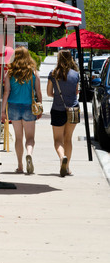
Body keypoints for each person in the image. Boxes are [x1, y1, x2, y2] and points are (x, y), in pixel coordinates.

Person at [2, 46, 42, 174]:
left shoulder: (9, 73)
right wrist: (40, 107)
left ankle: (20, 166)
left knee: (18, 137)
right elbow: (38, 91)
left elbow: (6, 92)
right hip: (29, 107)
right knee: (30, 138)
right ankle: (29, 153)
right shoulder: (34, 72)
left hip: (13, 106)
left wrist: (2, 111)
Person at [47, 49, 79, 177]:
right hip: (73, 109)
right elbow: (76, 92)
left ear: (58, 59)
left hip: (58, 109)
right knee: (68, 138)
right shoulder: (76, 74)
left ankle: (62, 158)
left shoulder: (53, 74)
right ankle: (68, 167)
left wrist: (58, 96)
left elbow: (49, 93)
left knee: (58, 140)